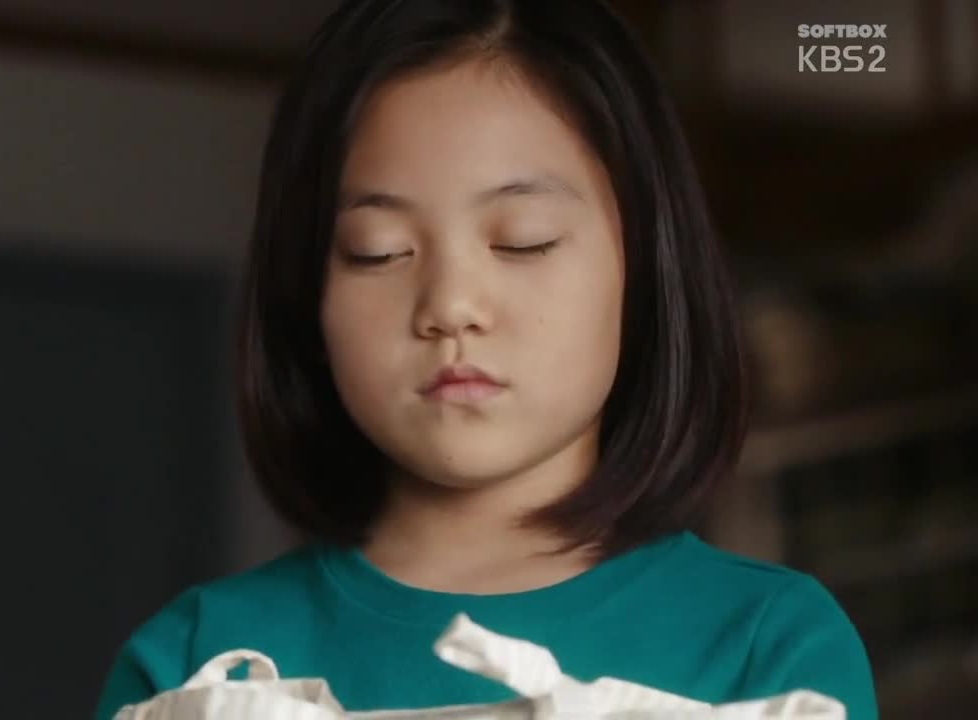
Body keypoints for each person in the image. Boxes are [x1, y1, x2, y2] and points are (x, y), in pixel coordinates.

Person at [93, 0, 878, 718]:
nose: (450, 306)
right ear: (307, 296)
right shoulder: (194, 667)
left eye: (524, 240)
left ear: (643, 269)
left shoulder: (770, 647)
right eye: (378, 251)